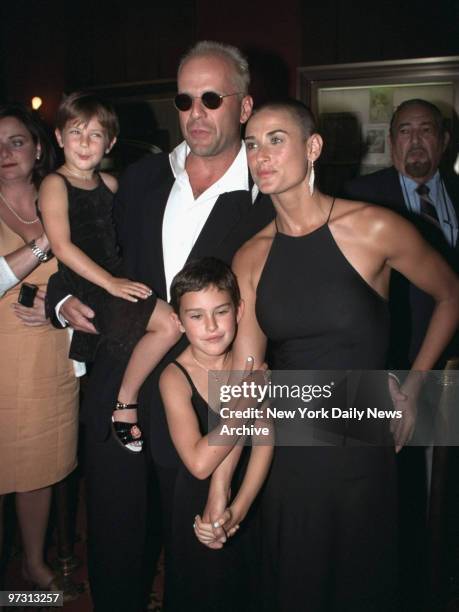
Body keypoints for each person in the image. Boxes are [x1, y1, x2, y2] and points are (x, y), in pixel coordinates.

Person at [45, 41, 275, 611]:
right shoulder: (142, 178)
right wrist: (56, 297)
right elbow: (91, 253)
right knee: (116, 545)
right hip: (121, 383)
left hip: (206, 401)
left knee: (203, 555)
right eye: (185, 99)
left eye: (212, 98)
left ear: (244, 107)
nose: (196, 112)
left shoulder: (268, 197)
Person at [207, 99, 459, 611]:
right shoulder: (251, 256)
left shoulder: (374, 228)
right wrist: (221, 485)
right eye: (252, 143)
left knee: (362, 582)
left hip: (362, 435)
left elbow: (451, 295)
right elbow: (245, 379)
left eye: (277, 139)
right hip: (286, 448)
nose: (262, 154)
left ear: (313, 147)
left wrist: (413, 386)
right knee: (294, 583)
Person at [344, 98, 459, 610]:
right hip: (391, 369)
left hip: (453, 368)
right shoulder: (361, 198)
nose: (416, 141)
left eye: (426, 131)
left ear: (444, 140)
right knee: (393, 487)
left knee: (445, 493)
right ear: (390, 144)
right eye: (405, 132)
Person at [39, 92, 179, 453]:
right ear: (58, 137)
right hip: (90, 285)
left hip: (114, 281)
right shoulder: (55, 184)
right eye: (75, 132)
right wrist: (111, 283)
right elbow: (61, 247)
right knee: (169, 324)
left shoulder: (111, 185)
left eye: (95, 134)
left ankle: (123, 403)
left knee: (170, 326)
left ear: (111, 142)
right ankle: (124, 405)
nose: (84, 143)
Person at [159, 257, 272, 611]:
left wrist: (238, 510)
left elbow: (266, 442)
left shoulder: (249, 363)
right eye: (196, 316)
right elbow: (199, 463)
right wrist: (243, 407)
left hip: (251, 497)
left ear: (239, 311)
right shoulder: (174, 377)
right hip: (195, 508)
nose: (211, 326)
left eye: (220, 311)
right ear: (178, 321)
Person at [0, 104, 79, 592]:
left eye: (15, 141)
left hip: (50, 356)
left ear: (38, 148)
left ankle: (32, 565)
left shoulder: (62, 195)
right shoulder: (53, 220)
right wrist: (45, 244)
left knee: (39, 466)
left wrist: (64, 297)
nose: (5, 153)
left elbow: (95, 270)